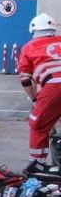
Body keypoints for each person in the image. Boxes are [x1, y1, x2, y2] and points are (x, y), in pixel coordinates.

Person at [18, 13, 61, 174]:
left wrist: (35, 98)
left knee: (38, 126)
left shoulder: (30, 47)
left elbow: (25, 79)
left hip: (53, 88)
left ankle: (36, 166)